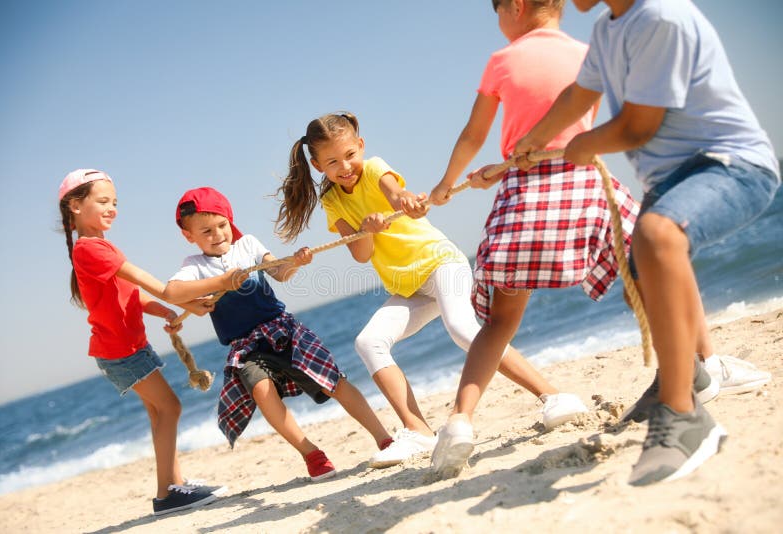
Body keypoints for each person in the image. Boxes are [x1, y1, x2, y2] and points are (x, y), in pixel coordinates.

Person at [513, 0, 780, 485]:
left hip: (730, 164)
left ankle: (685, 417)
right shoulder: (606, 27)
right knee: (640, 263)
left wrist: (583, 145)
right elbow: (579, 93)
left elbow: (639, 126)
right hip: (671, 180)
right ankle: (686, 377)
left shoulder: (660, 16)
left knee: (657, 236)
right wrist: (535, 138)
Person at [274, 111, 589, 469]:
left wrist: (406, 202)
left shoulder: (375, 168)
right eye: (332, 162)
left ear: (360, 146)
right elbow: (361, 254)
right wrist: (368, 229)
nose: (345, 166)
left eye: (349, 155)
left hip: (441, 264)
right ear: (317, 166)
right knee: (368, 342)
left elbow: (398, 196)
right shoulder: (332, 200)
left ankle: (553, 397)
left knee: (462, 329)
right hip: (409, 287)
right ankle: (418, 430)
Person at [427, 0, 640, 477]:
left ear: (517, 7)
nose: (499, 22)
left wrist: (447, 184)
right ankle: (697, 363)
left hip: (525, 193)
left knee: (500, 321)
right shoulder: (588, 51)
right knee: (647, 272)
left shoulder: (502, 61)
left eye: (498, 11)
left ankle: (460, 421)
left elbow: (473, 132)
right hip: (585, 183)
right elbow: (591, 120)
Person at [162, 187, 395, 482]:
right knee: (261, 390)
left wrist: (295, 262)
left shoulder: (247, 244)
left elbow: (280, 272)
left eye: (222, 225)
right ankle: (312, 454)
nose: (218, 234)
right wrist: (222, 280)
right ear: (189, 235)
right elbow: (172, 292)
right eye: (206, 230)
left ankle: (383, 437)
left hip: (281, 328)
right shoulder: (194, 266)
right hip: (244, 346)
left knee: (331, 380)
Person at [58, 169, 226, 516]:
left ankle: (173, 486)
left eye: (115, 202)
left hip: (126, 347)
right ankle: (167, 494)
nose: (112, 208)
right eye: (103, 201)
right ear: (75, 205)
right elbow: (156, 285)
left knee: (158, 412)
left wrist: (165, 311)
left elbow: (131, 295)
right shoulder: (90, 249)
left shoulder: (98, 247)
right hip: (121, 351)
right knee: (170, 408)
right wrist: (187, 300)